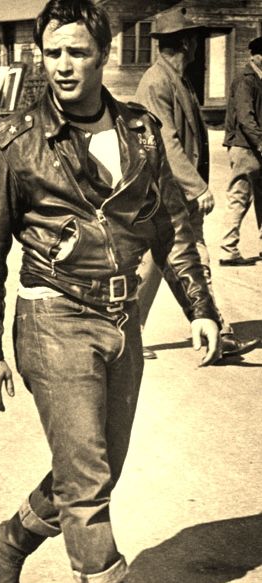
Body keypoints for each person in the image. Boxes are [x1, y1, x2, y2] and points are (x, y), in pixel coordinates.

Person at [0, 2, 221, 583]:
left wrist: (199, 305)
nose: (64, 66)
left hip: (119, 322)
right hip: (51, 320)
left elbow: (168, 221)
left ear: (103, 54)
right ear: (41, 57)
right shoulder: (11, 141)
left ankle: (4, 546)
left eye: (77, 52)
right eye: (53, 53)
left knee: (92, 474)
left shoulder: (139, 128)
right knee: (89, 486)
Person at [135, 6, 260, 360]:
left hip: (175, 195)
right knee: (189, 259)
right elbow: (167, 142)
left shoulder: (178, 79)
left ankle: (135, 332)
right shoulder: (156, 83)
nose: (198, 47)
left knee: (159, 263)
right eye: (195, 40)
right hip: (168, 194)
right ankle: (217, 332)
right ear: (187, 43)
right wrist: (197, 187)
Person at [220, 36, 262, 265]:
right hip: (245, 147)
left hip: (255, 147)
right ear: (255, 56)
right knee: (239, 198)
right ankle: (228, 250)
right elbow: (246, 119)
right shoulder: (245, 80)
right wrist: (261, 143)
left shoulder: (259, 78)